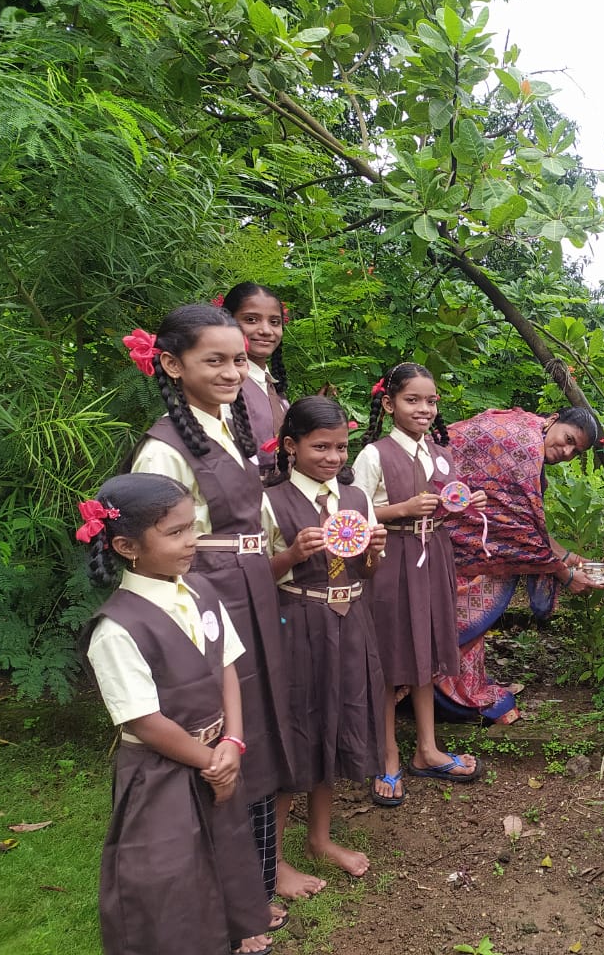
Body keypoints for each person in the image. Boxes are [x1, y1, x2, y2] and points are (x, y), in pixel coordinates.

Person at [123, 305, 295, 943]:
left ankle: (260, 874)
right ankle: (225, 888)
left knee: (259, 723)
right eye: (214, 360)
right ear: (172, 364)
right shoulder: (163, 449)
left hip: (251, 589)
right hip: (205, 598)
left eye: (238, 359)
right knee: (223, 736)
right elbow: (155, 547)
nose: (231, 370)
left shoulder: (230, 425)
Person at [79, 473, 272, 955]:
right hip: (161, 771)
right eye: (176, 532)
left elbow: (228, 666)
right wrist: (209, 761)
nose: (193, 541)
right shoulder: (117, 629)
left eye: (193, 526)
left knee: (224, 850)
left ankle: (231, 934)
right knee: (170, 872)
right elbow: (142, 720)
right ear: (126, 545)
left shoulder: (202, 591)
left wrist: (233, 741)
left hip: (220, 755)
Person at [262, 397, 388, 889]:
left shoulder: (355, 500)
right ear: (291, 446)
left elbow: (368, 571)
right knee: (298, 728)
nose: (334, 457)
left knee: (336, 722)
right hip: (298, 619)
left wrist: (374, 553)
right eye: (321, 447)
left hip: (349, 618)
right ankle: (271, 858)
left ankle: (319, 838)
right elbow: (255, 577)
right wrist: (291, 554)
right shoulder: (271, 501)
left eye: (341, 447)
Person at [352, 362, 486, 806]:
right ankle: (388, 756)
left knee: (425, 652)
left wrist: (465, 503)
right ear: (389, 403)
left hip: (433, 561)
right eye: (412, 400)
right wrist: (401, 508)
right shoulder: (374, 455)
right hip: (391, 562)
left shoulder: (440, 453)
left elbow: (444, 506)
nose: (424, 408)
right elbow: (353, 517)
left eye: (430, 400)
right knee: (392, 658)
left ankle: (427, 750)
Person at [439, 405, 604, 723]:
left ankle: (453, 693)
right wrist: (564, 574)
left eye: (575, 451)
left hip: (463, 530)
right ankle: (453, 699)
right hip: (447, 530)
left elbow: (524, 520)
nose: (566, 451)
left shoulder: (528, 429)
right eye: (568, 439)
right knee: (458, 616)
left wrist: (567, 556)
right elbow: (518, 530)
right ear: (554, 420)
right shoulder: (526, 446)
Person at [223, 282, 290, 480]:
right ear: (228, 321)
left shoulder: (272, 387)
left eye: (275, 322)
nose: (266, 330)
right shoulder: (224, 387)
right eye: (251, 320)